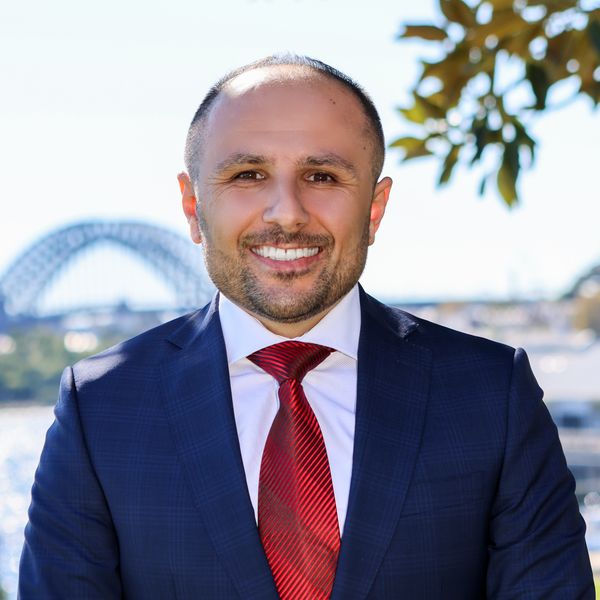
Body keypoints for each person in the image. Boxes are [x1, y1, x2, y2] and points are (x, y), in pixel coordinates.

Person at [19, 54, 593, 599]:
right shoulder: (101, 408)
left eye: (321, 176)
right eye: (247, 174)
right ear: (193, 207)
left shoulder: (491, 394)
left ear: (375, 208)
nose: (287, 213)